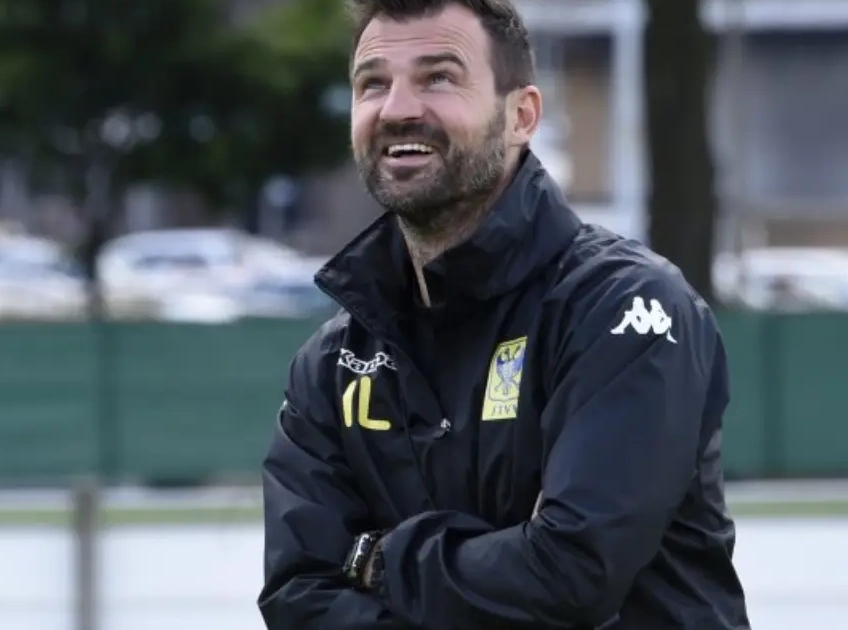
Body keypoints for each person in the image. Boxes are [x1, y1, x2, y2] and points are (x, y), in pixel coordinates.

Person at [258, 0, 751, 628]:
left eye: (439, 77)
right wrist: (501, 559)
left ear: (522, 116)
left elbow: (571, 571)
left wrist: (378, 560)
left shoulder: (626, 308)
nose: (398, 108)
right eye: (372, 84)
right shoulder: (332, 364)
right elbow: (298, 597)